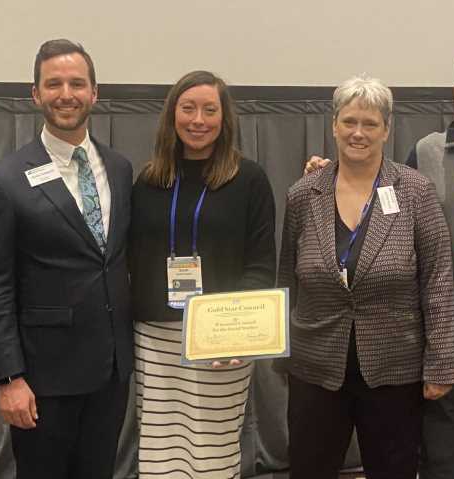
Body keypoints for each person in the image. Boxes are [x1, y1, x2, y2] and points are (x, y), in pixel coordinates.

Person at [306, 41, 454, 479]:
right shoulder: (428, 151)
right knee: (437, 459)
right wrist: (328, 174)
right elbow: (378, 196)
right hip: (441, 340)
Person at [278, 74, 454, 479]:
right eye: (349, 121)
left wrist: (441, 363)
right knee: (309, 468)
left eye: (370, 123)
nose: (358, 133)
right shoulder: (304, 194)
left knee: (393, 470)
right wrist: (281, 350)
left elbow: (438, 281)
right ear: (334, 126)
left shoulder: (415, 191)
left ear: (387, 129)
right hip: (315, 367)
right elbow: (287, 278)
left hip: (394, 368)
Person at [0, 39, 133, 479]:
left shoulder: (118, 168)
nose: (67, 94)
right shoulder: (3, 182)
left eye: (77, 83)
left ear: (94, 93)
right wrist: (9, 379)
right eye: (54, 83)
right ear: (36, 94)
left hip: (110, 372)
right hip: (43, 380)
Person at [128, 70, 276, 478]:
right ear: (172, 115)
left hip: (220, 339)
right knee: (161, 449)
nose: (198, 120)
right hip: (155, 337)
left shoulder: (249, 180)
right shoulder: (148, 180)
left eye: (210, 110)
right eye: (188, 108)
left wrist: (239, 335)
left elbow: (262, 263)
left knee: (213, 448)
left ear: (225, 119)